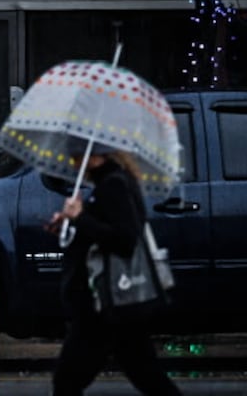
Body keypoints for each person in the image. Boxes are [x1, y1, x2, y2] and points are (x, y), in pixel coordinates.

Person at [45, 146, 181, 396]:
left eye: (78, 156)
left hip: (105, 304)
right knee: (148, 376)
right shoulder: (109, 183)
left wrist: (80, 217)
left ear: (98, 156)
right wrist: (71, 222)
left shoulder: (114, 185)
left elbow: (125, 240)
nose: (75, 164)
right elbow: (102, 231)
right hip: (112, 306)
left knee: (67, 381)